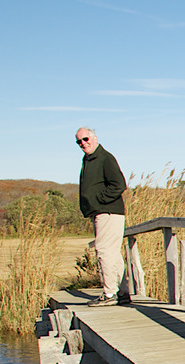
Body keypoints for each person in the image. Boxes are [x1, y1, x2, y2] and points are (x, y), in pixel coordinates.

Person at [76, 127, 130, 306]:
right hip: (103, 212)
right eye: (79, 142)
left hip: (108, 211)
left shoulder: (104, 158)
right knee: (112, 252)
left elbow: (119, 185)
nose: (83, 143)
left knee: (104, 250)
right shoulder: (89, 159)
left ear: (94, 138)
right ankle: (122, 292)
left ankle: (109, 294)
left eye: (85, 139)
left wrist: (98, 202)